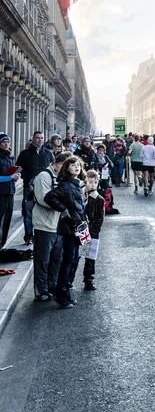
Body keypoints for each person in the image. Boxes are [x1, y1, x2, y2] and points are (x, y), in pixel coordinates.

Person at [44, 156, 87, 308]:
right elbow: (49, 197)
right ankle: (60, 292)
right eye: (72, 165)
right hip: (70, 227)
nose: (76, 167)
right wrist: (63, 209)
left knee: (74, 258)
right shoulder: (66, 185)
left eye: (78, 165)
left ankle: (65, 291)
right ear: (66, 168)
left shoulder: (78, 184)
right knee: (69, 259)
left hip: (79, 226)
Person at [32, 152, 71, 301]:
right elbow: (43, 199)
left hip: (58, 224)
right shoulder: (44, 176)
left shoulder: (61, 177)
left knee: (56, 259)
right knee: (43, 259)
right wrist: (64, 205)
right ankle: (41, 290)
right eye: (66, 166)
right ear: (58, 163)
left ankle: (51, 285)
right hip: (44, 223)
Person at [16, 131, 54, 245]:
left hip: (45, 188)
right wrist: (27, 177)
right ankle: (28, 236)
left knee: (43, 211)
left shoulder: (48, 153)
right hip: (29, 187)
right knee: (28, 213)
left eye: (42, 138)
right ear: (33, 139)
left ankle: (40, 235)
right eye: (37, 138)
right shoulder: (24, 153)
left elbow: (53, 168)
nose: (40, 140)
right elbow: (19, 169)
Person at [81, 170, 105, 290]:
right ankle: (68, 280)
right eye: (90, 182)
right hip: (80, 230)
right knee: (76, 256)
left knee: (90, 257)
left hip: (92, 231)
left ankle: (89, 279)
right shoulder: (80, 195)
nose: (93, 184)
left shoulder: (99, 199)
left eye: (95, 182)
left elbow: (100, 218)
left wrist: (93, 231)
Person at [0, 135, 21, 249]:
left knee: (7, 220)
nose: (7, 144)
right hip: (1, 193)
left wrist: (17, 175)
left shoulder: (11, 157)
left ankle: (3, 244)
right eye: (4, 142)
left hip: (10, 191)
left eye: (8, 141)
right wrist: (10, 177)